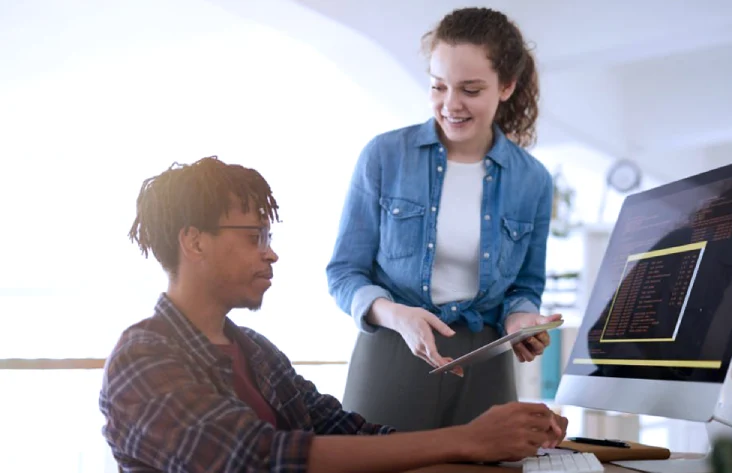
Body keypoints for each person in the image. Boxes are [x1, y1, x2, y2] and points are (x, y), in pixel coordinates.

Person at [99, 156, 567, 472]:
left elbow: (354, 431)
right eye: (254, 238)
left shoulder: (255, 351)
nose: (271, 255)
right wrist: (467, 440)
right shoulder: (143, 357)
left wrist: (505, 440)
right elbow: (260, 457)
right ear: (195, 241)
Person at [326, 7, 560, 432]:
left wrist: (522, 321)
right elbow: (344, 272)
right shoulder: (383, 157)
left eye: (470, 90)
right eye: (438, 86)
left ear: (506, 86)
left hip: (487, 360)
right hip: (392, 349)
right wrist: (396, 315)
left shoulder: (534, 181)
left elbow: (525, 286)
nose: (450, 105)